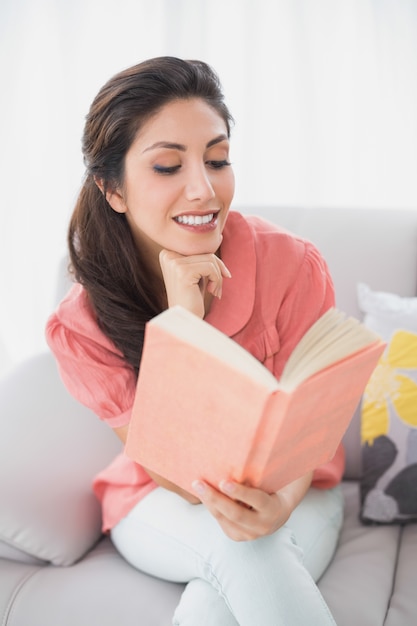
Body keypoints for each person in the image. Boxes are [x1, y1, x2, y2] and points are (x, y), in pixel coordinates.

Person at [46, 56, 345, 625]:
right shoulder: (80, 323)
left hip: (303, 489)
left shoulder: (293, 264)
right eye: (167, 166)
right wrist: (184, 325)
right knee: (243, 545)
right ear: (112, 188)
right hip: (154, 499)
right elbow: (180, 480)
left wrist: (280, 503)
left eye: (218, 159)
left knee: (224, 590)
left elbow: (306, 428)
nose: (204, 189)